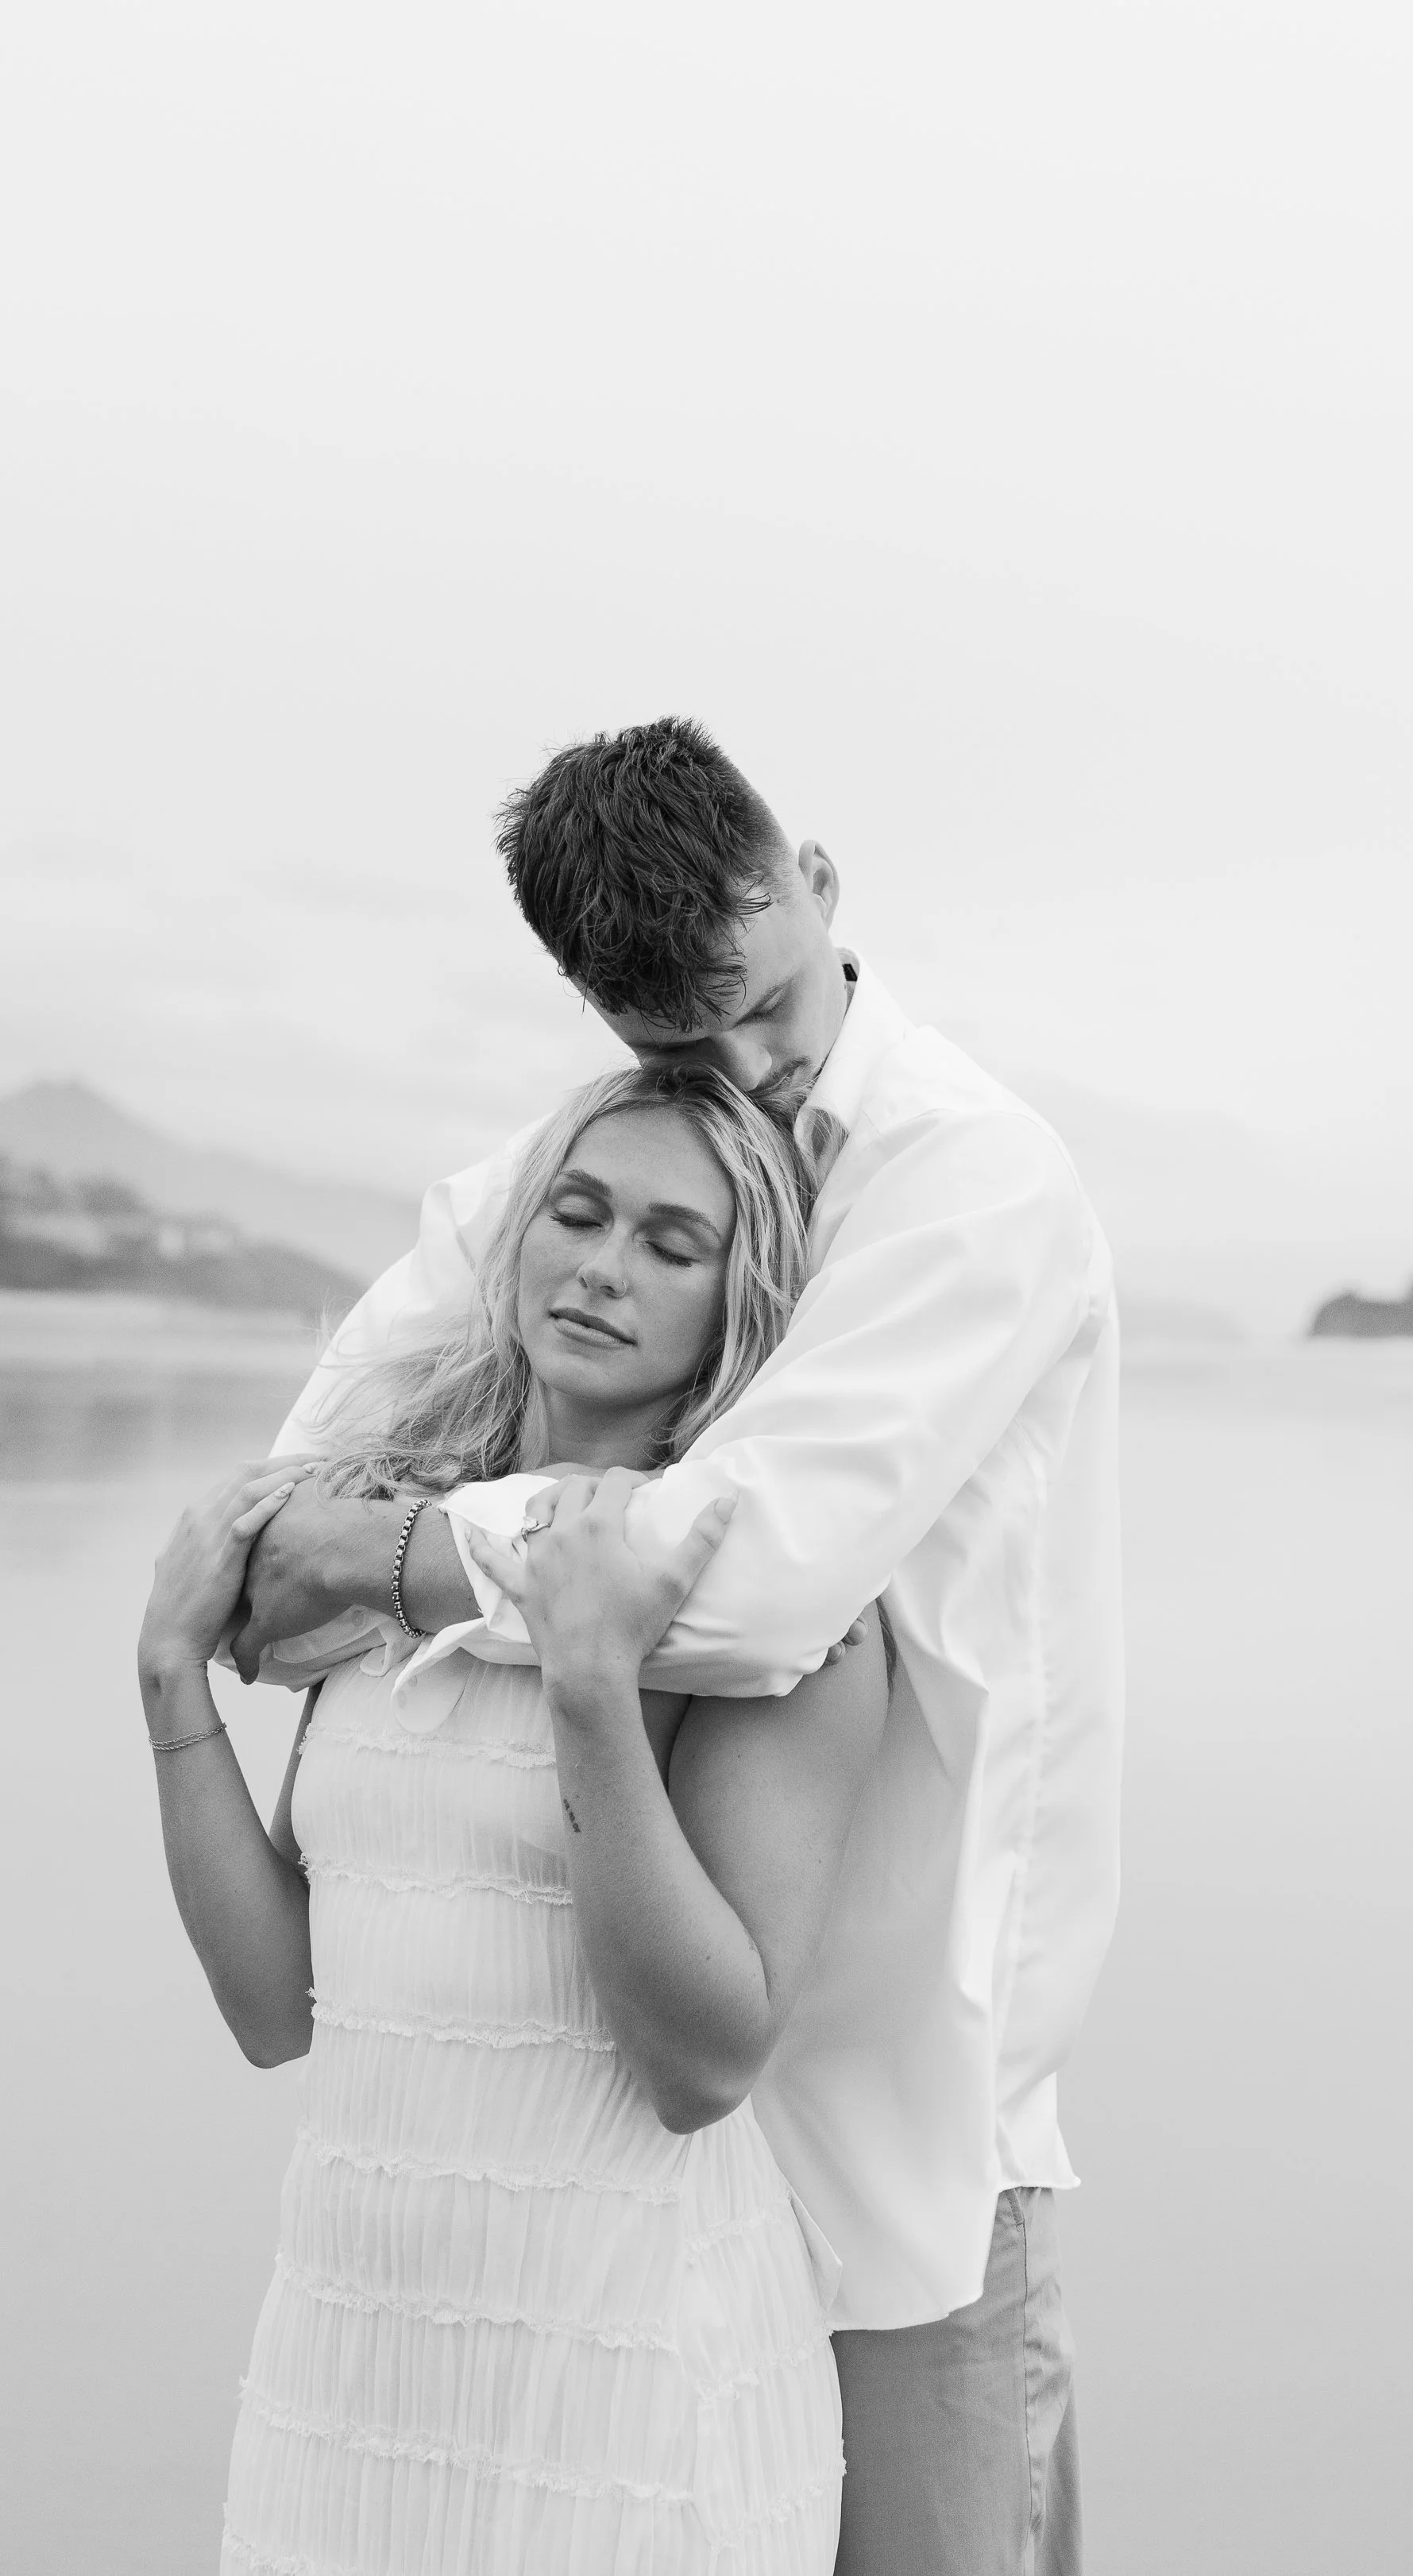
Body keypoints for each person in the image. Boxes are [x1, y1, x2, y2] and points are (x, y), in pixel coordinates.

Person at [235, 716, 1125, 2576]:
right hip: (629, 2147)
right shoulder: (601, 1157)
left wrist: (391, 1551)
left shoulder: (977, 1180)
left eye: (770, 1004)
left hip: (902, 2123)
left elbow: (750, 1581)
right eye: (680, 1042)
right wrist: (322, 1558)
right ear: (601, 1007)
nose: (752, 1070)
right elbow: (279, 1519)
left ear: (816, 882)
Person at [139, 1064, 888, 2574]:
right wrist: (171, 1679)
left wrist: (594, 1690)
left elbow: (703, 2064)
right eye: (579, 1212)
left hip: (625, 2380)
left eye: (671, 1244)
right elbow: (278, 2007)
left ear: (736, 1300)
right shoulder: (381, 1541)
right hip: (348, 2366)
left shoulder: (761, 1609)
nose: (604, 1266)